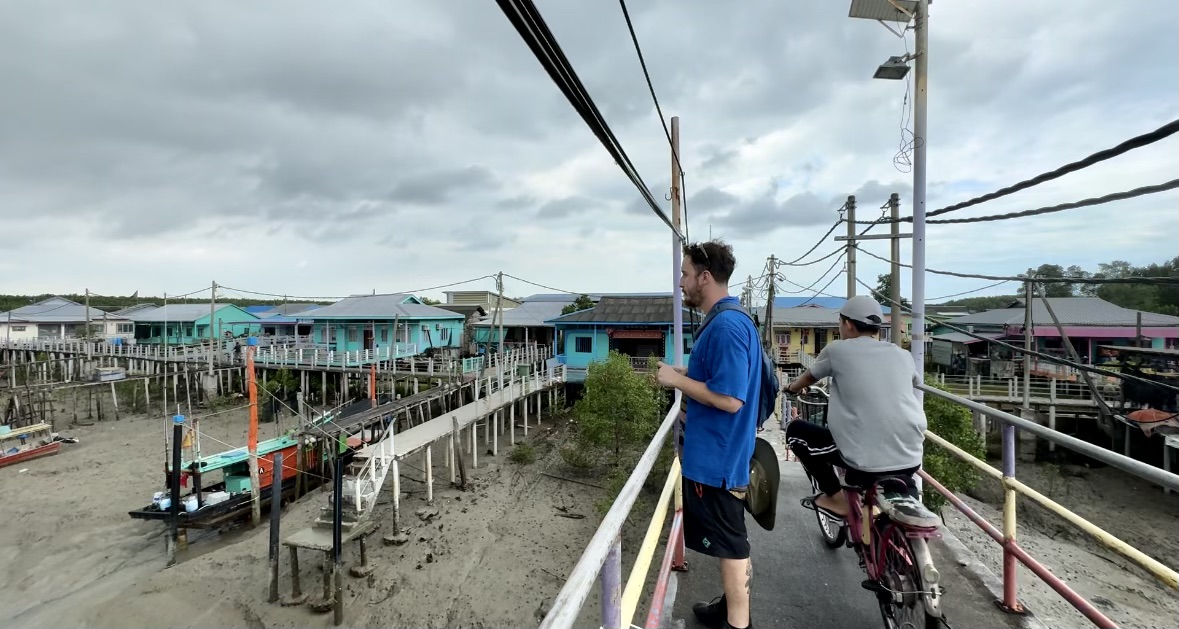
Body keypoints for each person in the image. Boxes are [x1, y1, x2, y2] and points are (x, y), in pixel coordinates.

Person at [656, 240, 760, 629]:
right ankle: (730, 608)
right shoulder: (726, 320)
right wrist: (683, 375)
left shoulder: (727, 326)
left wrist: (676, 382)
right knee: (728, 540)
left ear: (704, 276)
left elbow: (731, 399)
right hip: (720, 455)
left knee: (732, 544)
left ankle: (738, 623)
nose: (680, 282)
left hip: (719, 459)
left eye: (684, 274)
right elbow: (720, 380)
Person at [783, 295, 937, 527]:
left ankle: (837, 499)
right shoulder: (902, 355)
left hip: (863, 459)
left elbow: (808, 377)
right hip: (911, 455)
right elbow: (913, 379)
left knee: (795, 431)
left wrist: (791, 388)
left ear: (847, 324)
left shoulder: (837, 350)